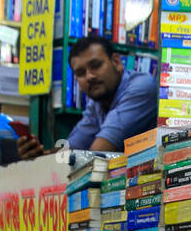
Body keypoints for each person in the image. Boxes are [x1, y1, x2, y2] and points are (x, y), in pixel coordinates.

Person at [15, 35, 158, 159]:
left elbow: (98, 153)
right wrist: (39, 156)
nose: (89, 76)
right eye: (81, 73)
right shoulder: (97, 104)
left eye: (95, 66)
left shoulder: (142, 88)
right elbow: (70, 151)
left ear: (116, 62)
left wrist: (52, 162)